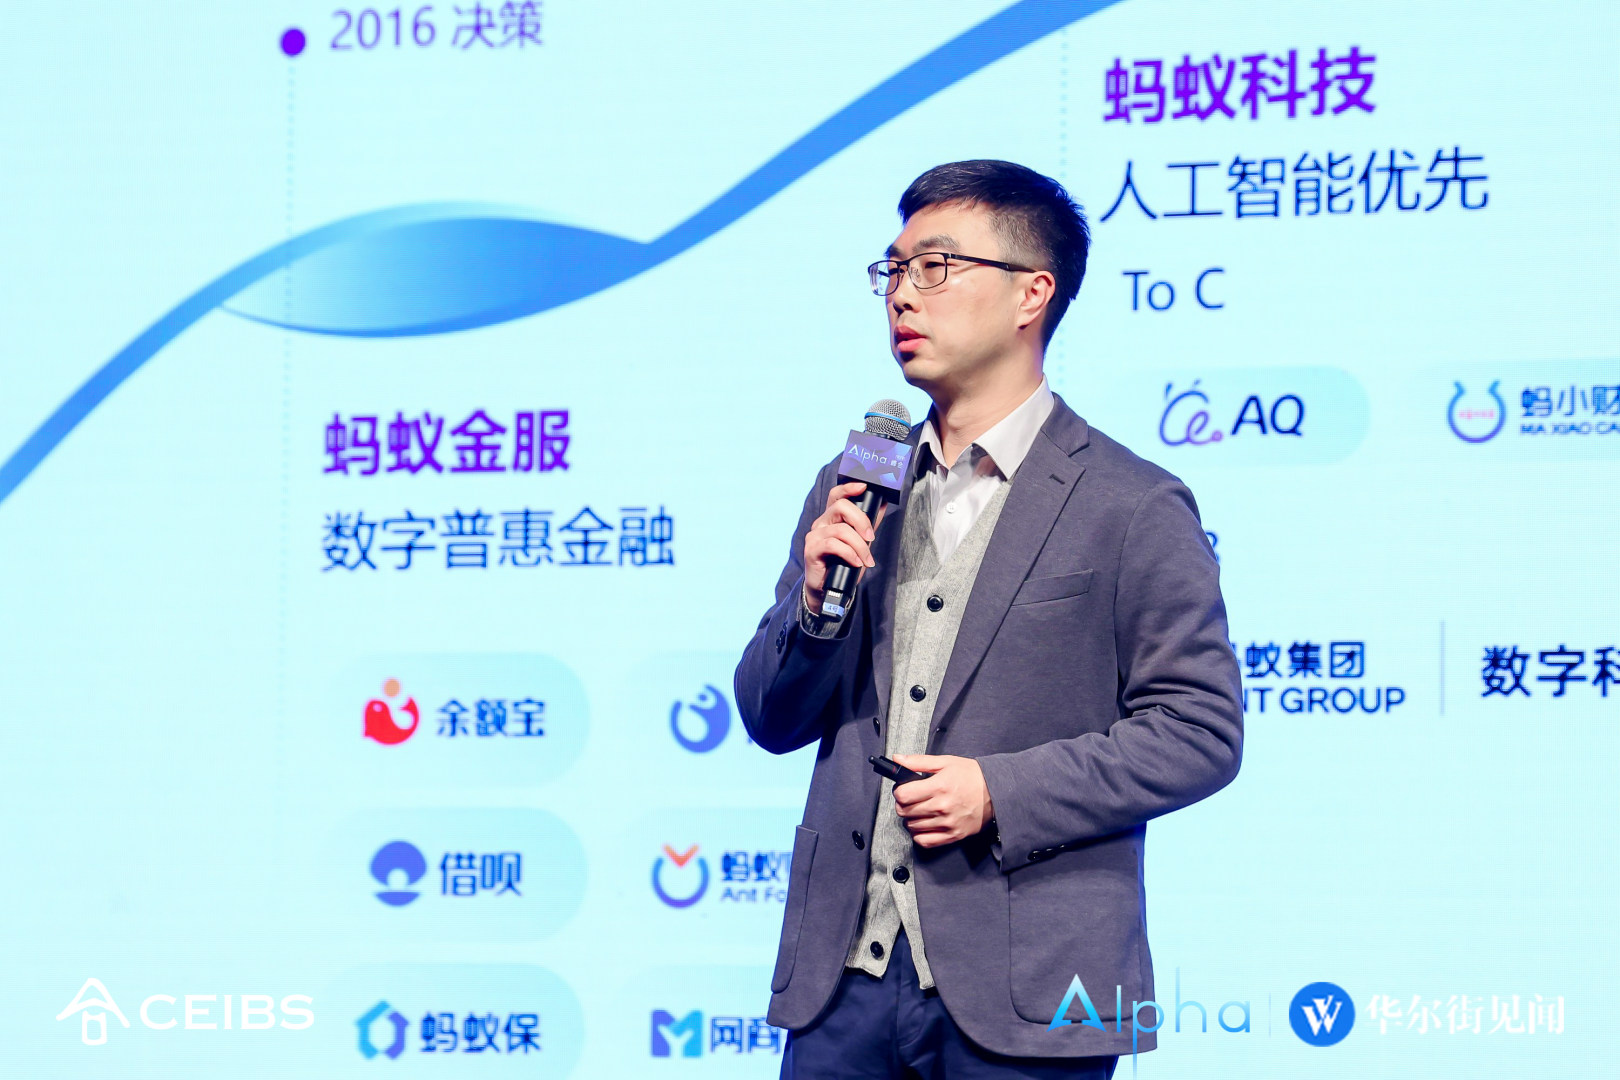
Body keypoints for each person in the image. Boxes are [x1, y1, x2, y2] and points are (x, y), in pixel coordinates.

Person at [733, 160, 1243, 1079]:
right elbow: (771, 718)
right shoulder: (855, 483)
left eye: (935, 267)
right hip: (841, 983)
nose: (902, 295)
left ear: (1030, 295)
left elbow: (1199, 732)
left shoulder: (1131, 502)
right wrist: (813, 611)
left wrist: (1000, 791)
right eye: (893, 271)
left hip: (1032, 989)